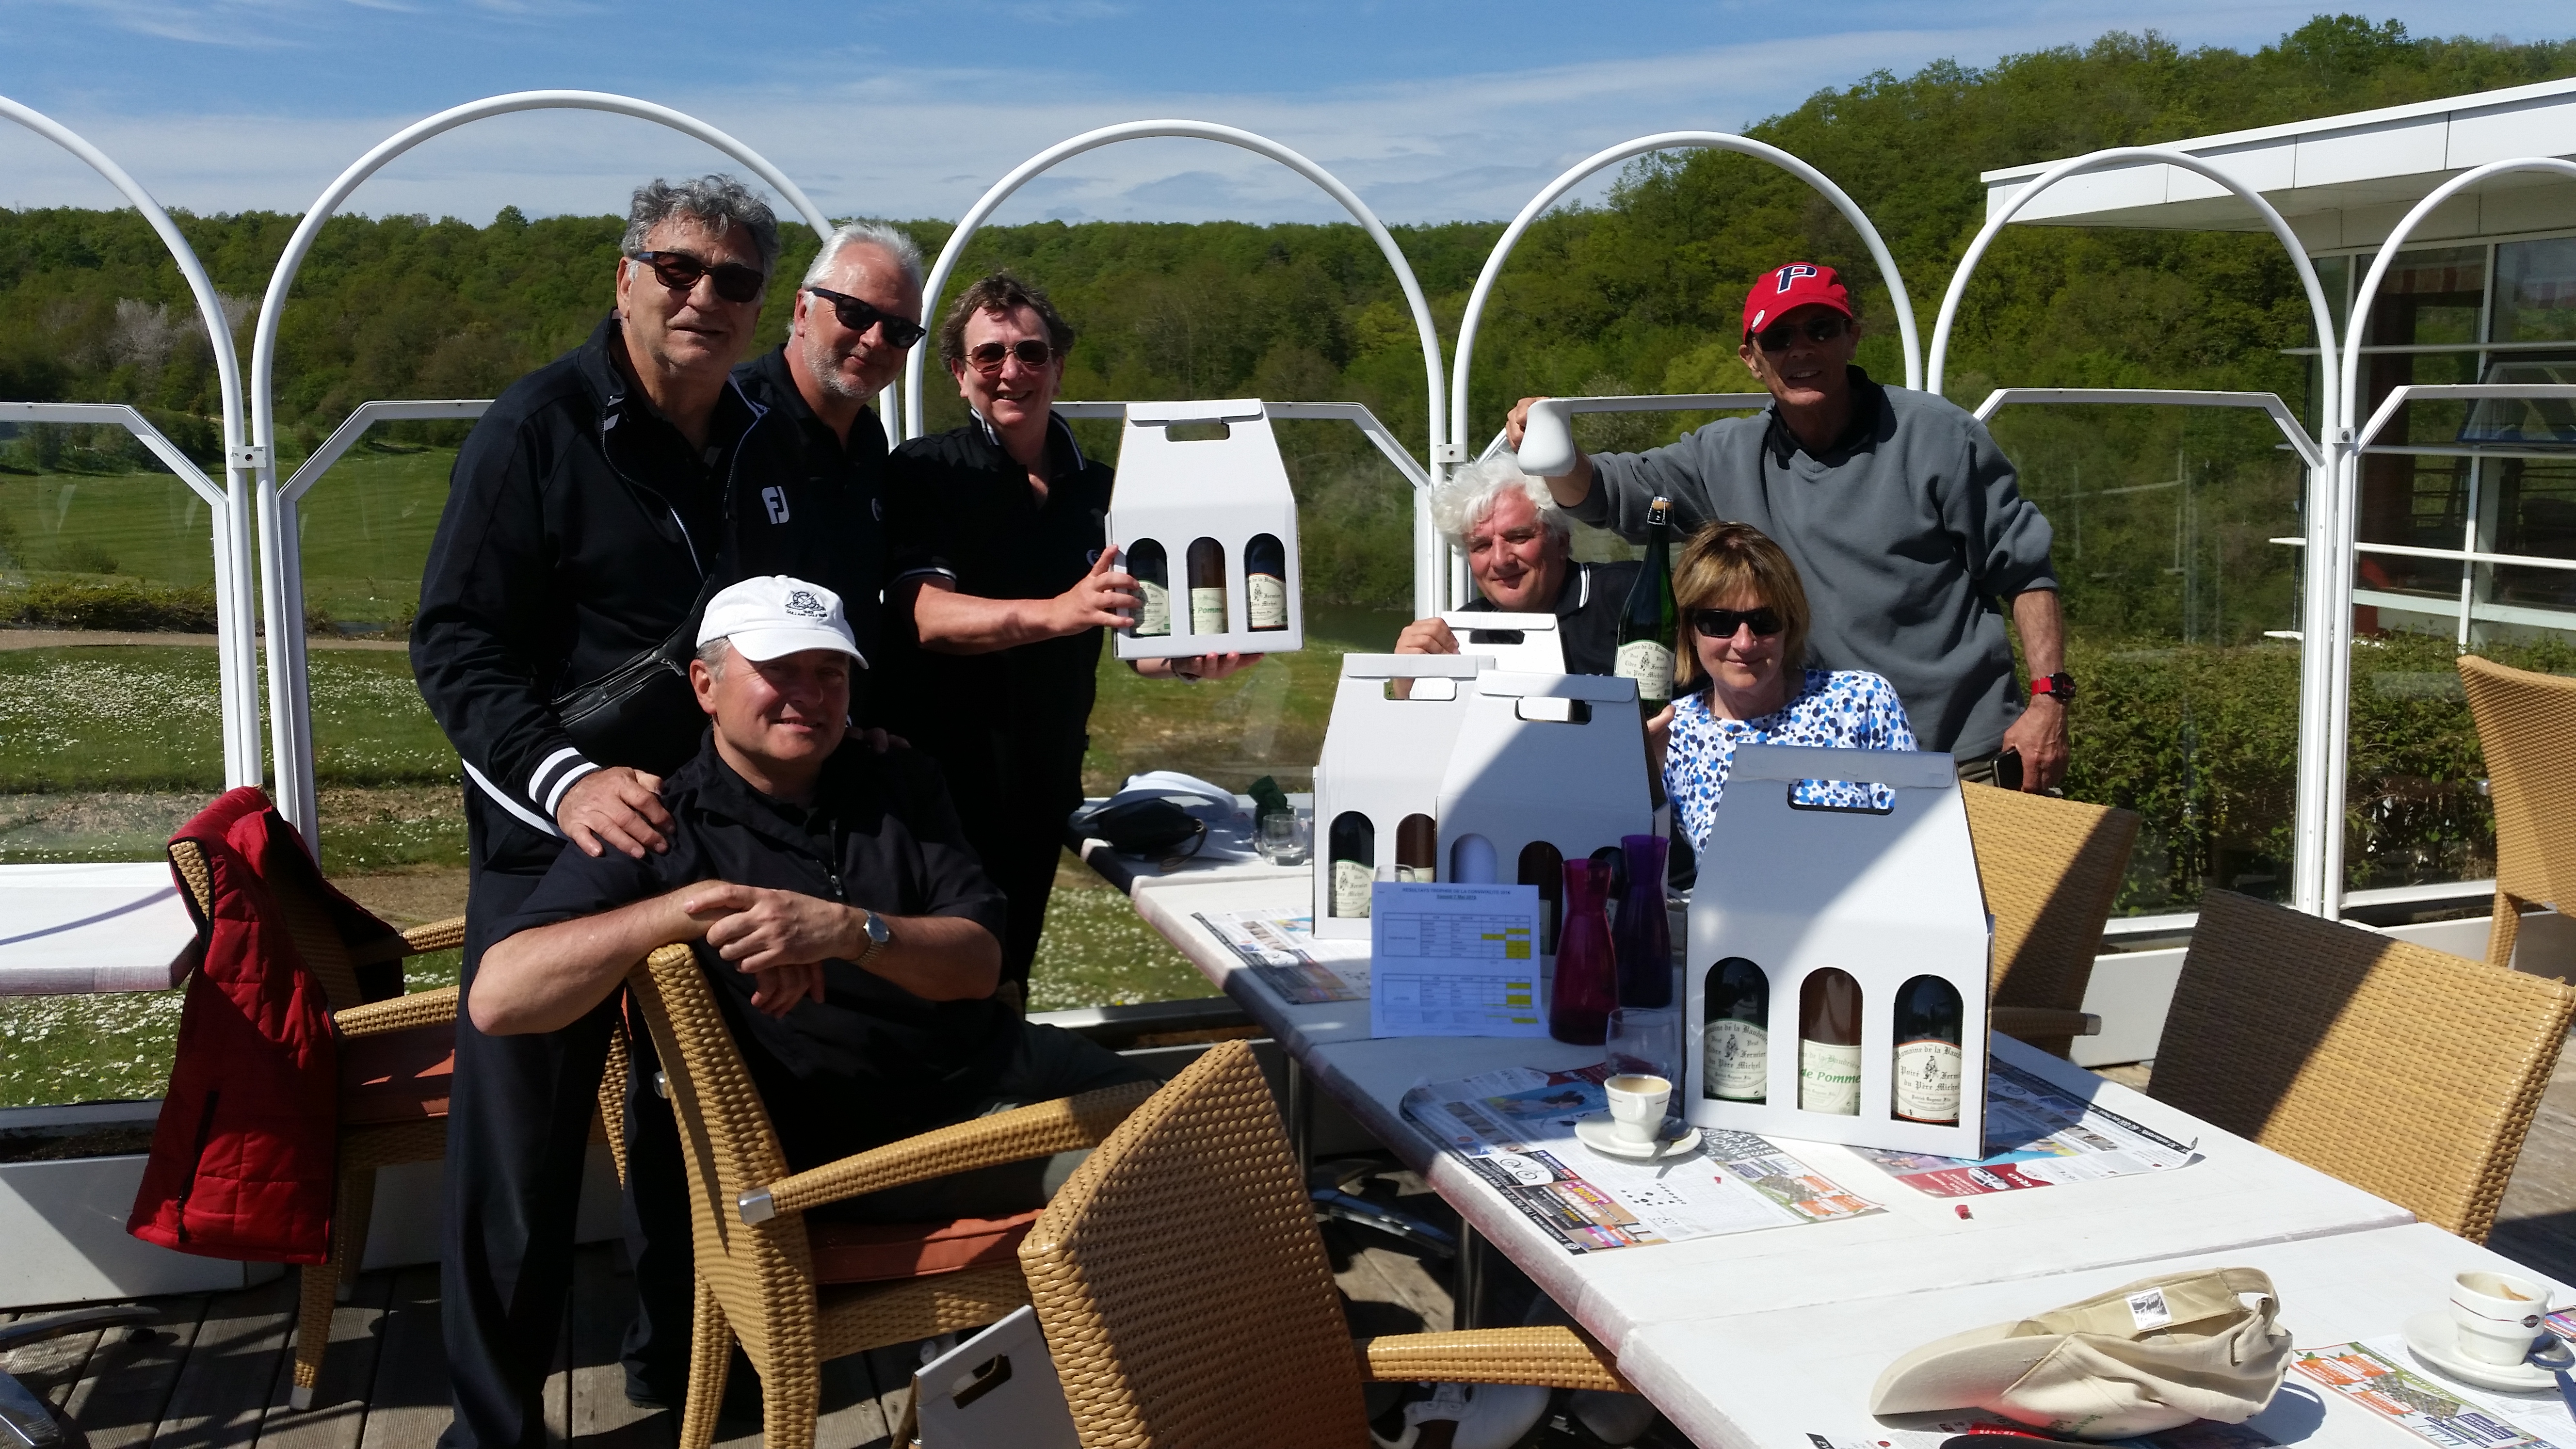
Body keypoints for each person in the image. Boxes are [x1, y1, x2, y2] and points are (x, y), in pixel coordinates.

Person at [412, 176, 869, 1449]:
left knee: (720, 1100)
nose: (703, 297)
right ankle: (491, 1429)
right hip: (565, 827)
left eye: (733, 280)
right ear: (625, 275)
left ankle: (687, 1356)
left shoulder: (766, 435)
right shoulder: (539, 429)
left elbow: (795, 613)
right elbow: (455, 645)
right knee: (522, 1148)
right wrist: (567, 780)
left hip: (727, 820)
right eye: (679, 269)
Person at [470, 575, 1155, 1215]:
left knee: (1200, 1115)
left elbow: (979, 968)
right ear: (705, 686)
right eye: (779, 672)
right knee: (1159, 1178)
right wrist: (695, 906)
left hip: (991, 1064)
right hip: (878, 1148)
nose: (811, 694)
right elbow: (501, 999)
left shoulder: (896, 779)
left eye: (830, 673)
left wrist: (849, 931)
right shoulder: (663, 825)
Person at [1507, 262, 2067, 791]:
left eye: (1819, 329)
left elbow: (2024, 572)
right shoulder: (1724, 456)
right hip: (1814, 767)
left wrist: (2048, 702)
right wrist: (1552, 445)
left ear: (1851, 337)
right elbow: (1609, 495)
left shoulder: (1937, 435)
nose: (1800, 350)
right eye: (1778, 339)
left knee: (1987, 898)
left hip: (1958, 758)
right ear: (1751, 358)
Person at [881, 273, 1254, 1001]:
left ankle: (1008, 1108)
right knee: (935, 991)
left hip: (1043, 781)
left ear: (1059, 365)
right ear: (958, 375)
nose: (1011, 371)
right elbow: (927, 617)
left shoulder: (1106, 493)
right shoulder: (927, 472)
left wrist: (1189, 662)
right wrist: (1062, 611)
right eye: (989, 357)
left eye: (1031, 352)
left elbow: (1134, 631)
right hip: (937, 791)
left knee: (1011, 977)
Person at [1652, 521, 1918, 855]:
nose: (1744, 642)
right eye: (1719, 623)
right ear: (1689, 630)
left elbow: (1915, 841)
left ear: (1789, 622)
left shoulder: (1862, 702)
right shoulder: (1672, 731)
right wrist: (1644, 771)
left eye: (1764, 621)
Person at [733, 221, 926, 668]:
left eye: (900, 330)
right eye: (855, 313)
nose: (875, 339)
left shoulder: (869, 441)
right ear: (803, 310)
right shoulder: (728, 420)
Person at [1392, 455, 1635, 675]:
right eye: (1482, 546)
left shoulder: (1630, 596)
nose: (1500, 560)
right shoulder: (1461, 635)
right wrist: (1407, 686)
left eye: (1518, 538)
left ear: (1561, 542)